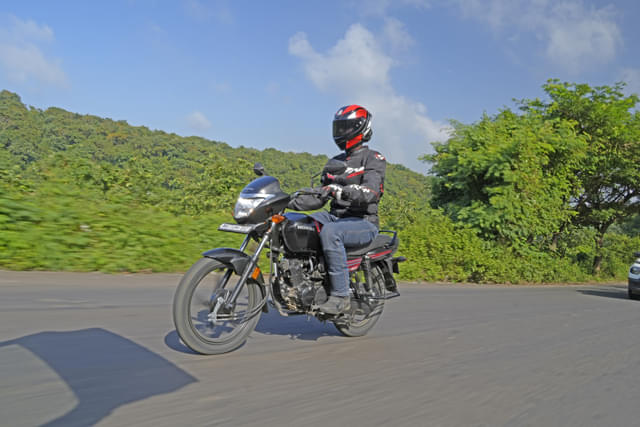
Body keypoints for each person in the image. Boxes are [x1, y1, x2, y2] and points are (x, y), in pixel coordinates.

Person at [288, 104, 386, 314]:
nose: (341, 132)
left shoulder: (373, 158)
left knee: (331, 232)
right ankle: (302, 280)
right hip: (335, 217)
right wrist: (285, 201)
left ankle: (341, 297)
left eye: (346, 127)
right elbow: (319, 197)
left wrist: (344, 192)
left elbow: (371, 192)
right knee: (294, 223)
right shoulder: (335, 162)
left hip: (363, 222)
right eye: (339, 127)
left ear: (360, 128)